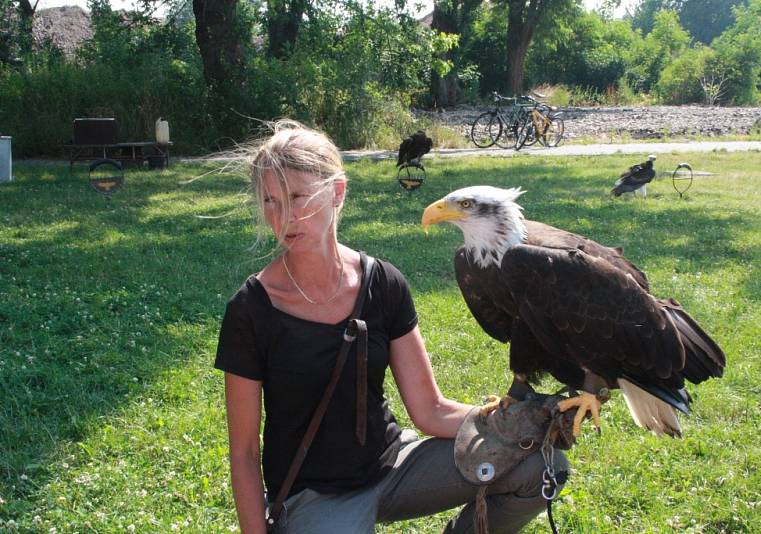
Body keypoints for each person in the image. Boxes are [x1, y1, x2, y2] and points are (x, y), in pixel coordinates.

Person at [214, 120, 569, 534]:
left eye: (297, 196)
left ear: (337, 192)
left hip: (393, 465)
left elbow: (430, 410)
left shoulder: (383, 283)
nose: (285, 216)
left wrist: (523, 423)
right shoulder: (252, 307)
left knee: (539, 465)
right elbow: (242, 452)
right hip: (313, 494)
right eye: (271, 201)